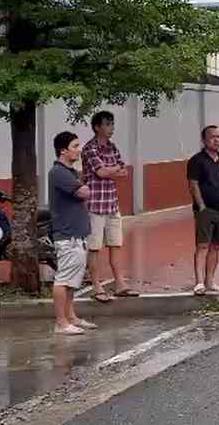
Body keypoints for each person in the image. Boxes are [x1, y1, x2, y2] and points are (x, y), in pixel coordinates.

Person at [81, 111, 137, 303]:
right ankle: (97, 286)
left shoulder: (112, 147)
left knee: (115, 244)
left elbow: (124, 171)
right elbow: (101, 172)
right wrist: (112, 170)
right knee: (94, 247)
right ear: (97, 127)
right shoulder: (90, 148)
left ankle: (120, 284)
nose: (111, 128)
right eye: (107, 124)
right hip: (95, 205)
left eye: (112, 124)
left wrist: (109, 170)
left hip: (112, 203)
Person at [47, 131, 98, 335]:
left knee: (72, 281)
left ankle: (71, 317)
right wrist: (86, 187)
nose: (79, 150)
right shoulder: (58, 172)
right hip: (67, 236)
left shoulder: (71, 172)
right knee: (64, 280)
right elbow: (83, 192)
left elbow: (83, 191)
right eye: (75, 146)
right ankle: (61, 322)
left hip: (77, 235)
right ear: (63, 150)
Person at [187, 124, 219, 296]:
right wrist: (201, 207)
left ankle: (210, 281)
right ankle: (199, 282)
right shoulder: (196, 161)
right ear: (204, 140)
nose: (217, 140)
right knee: (202, 245)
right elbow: (193, 184)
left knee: (216, 246)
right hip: (206, 210)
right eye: (213, 137)